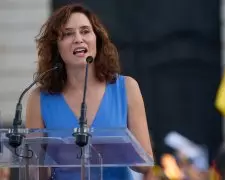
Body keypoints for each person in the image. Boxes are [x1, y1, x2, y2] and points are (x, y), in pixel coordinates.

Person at [25, 3, 153, 180]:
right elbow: (35, 173)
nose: (78, 39)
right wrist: (47, 160)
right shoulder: (38, 98)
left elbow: (146, 165)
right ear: (56, 47)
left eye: (85, 31)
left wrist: (114, 149)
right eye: (68, 34)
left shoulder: (127, 87)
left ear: (97, 40)